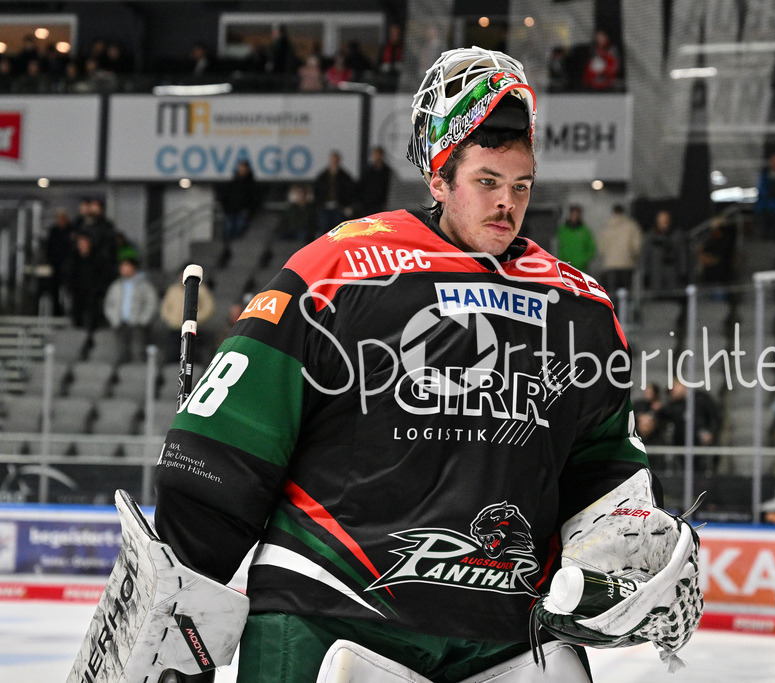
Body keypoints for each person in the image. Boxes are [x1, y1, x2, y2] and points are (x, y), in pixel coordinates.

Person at [151, 46, 700, 683]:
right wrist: (182, 602)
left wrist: (629, 545)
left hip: (509, 639)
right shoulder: (338, 268)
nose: (507, 204)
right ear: (438, 179)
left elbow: (604, 468)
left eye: (520, 186)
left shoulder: (579, 306)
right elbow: (221, 451)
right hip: (328, 616)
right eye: (487, 182)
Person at [102, 256, 159, 364]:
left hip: (137, 325)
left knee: (137, 354)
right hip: (120, 324)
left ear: (133, 267)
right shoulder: (116, 285)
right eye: (122, 267)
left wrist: (143, 320)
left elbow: (152, 303)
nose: (123, 269)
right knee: (120, 354)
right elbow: (108, 304)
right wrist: (114, 319)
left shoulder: (144, 285)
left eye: (126, 266)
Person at [596, 205, 643, 301]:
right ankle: (625, 315)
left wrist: (606, 258)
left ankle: (612, 314)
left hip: (610, 265)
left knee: (612, 294)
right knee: (626, 295)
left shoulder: (606, 227)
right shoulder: (632, 225)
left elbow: (601, 247)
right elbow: (637, 246)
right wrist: (634, 257)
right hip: (627, 264)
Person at [642, 209, 687, 297]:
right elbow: (646, 255)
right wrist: (646, 273)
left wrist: (683, 271)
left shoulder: (676, 235)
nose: (663, 222)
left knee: (673, 297)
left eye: (665, 219)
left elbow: (682, 255)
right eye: (661, 219)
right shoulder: (650, 236)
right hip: (656, 275)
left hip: (672, 274)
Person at [313, 150, 357, 236]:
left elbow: (350, 192)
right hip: (324, 207)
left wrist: (347, 205)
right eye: (333, 159)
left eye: (336, 159)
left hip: (339, 207)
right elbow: (317, 191)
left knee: (339, 230)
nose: (334, 161)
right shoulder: (323, 176)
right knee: (324, 231)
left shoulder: (344, 176)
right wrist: (318, 205)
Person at [220, 159, 261, 241]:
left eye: (243, 168)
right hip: (231, 211)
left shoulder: (251, 184)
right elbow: (225, 196)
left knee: (239, 230)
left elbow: (254, 198)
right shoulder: (233, 183)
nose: (242, 170)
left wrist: (249, 210)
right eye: (241, 167)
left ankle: (235, 248)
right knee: (229, 230)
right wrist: (226, 209)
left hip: (242, 212)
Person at [556, 205, 596, 272]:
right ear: (569, 214)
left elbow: (591, 248)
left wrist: (584, 260)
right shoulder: (562, 230)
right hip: (566, 268)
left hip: (582, 269)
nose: (574, 216)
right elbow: (558, 246)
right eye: (573, 214)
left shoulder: (585, 231)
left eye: (577, 214)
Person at [358, 145, 393, 215]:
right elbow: (362, 185)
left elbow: (389, 187)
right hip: (368, 204)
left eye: (378, 155)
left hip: (381, 204)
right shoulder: (368, 171)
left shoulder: (387, 171)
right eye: (375, 155)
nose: (377, 157)